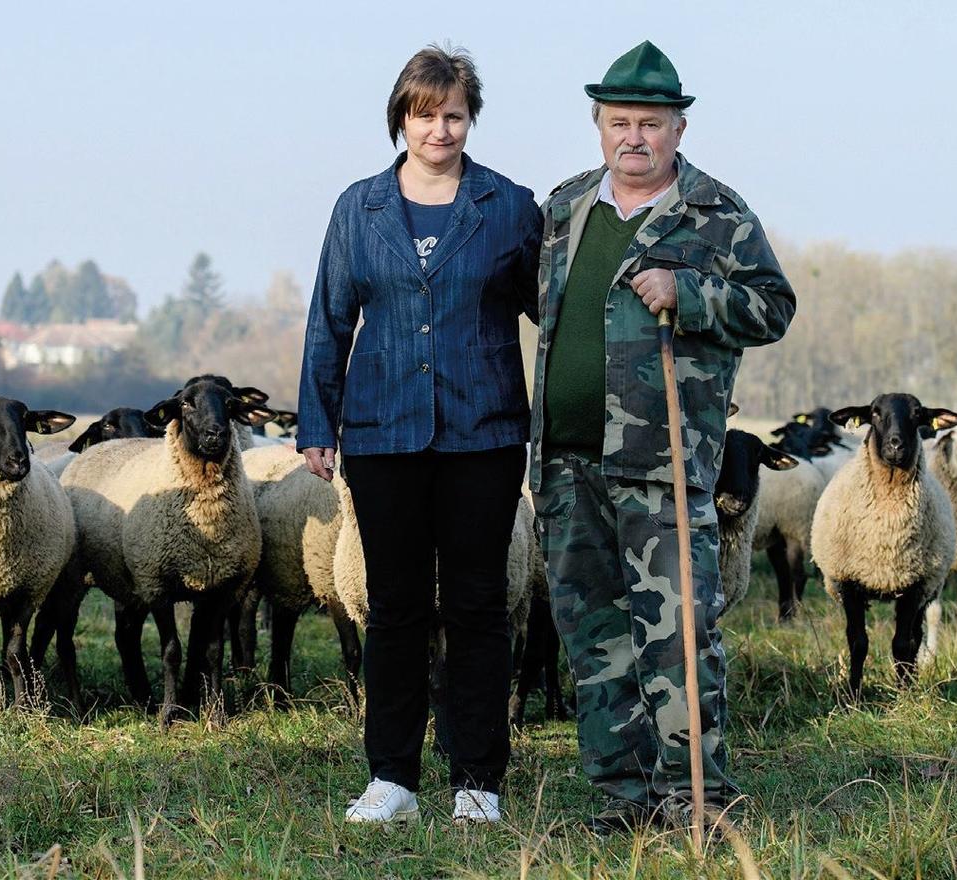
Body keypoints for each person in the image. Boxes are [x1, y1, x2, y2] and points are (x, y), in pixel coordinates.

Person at [529, 40, 796, 833]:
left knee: (679, 638)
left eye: (650, 123)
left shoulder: (718, 214)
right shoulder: (566, 207)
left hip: (662, 463)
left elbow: (773, 306)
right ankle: (624, 801)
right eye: (619, 122)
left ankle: (697, 801)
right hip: (569, 463)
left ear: (678, 130)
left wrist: (691, 293)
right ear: (598, 125)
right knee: (595, 638)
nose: (633, 137)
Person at [297, 45, 542, 825]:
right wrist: (316, 420)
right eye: (425, 113)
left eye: (454, 114)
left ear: (471, 119)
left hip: (484, 434)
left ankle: (478, 782)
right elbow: (330, 318)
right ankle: (392, 778)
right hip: (382, 433)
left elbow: (553, 311)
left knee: (477, 605)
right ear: (402, 117)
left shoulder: (508, 206)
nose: (440, 128)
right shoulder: (358, 208)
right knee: (395, 606)